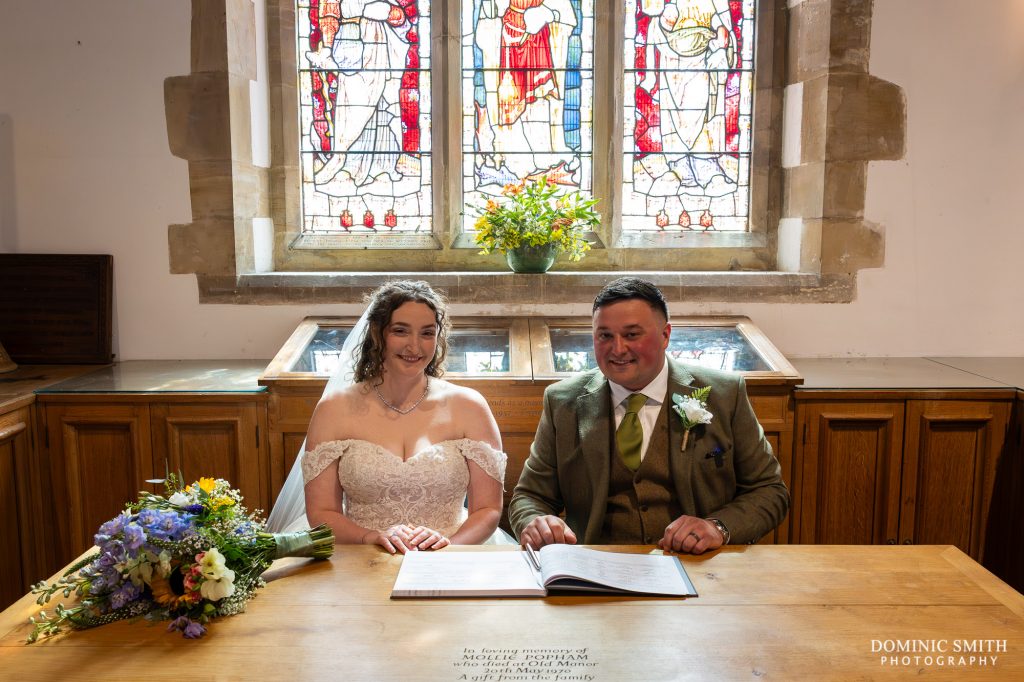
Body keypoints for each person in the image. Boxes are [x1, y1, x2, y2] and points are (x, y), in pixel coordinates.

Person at [509, 277, 788, 553]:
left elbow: (769, 491)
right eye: (605, 335)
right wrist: (535, 523)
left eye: (632, 335)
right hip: (594, 567)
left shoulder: (724, 395)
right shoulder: (563, 402)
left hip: (699, 564)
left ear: (665, 335)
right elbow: (530, 496)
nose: (617, 349)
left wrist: (718, 527)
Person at [267, 281, 507, 553]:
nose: (414, 346)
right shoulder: (333, 409)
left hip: (454, 553)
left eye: (427, 333)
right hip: (359, 554)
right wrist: (369, 537)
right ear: (377, 333)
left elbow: (487, 509)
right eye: (400, 331)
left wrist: (449, 549)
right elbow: (322, 511)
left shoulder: (469, 407)